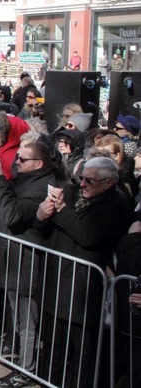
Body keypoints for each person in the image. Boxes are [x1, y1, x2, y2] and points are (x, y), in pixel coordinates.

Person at [36, 157, 134, 388]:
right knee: (52, 344)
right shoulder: (69, 191)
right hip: (56, 280)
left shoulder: (117, 205)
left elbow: (89, 236)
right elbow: (45, 230)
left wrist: (60, 210)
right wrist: (41, 215)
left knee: (83, 352)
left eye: (90, 180)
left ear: (109, 183)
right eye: (82, 178)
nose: (83, 184)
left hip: (84, 290)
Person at [0, 141, 57, 387]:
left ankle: (27, 370)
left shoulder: (41, 188)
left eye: (22, 159)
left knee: (27, 323)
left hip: (26, 265)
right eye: (16, 157)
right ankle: (22, 363)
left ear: (38, 164)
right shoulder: (25, 180)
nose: (16, 162)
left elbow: (12, 216)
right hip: (13, 262)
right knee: (18, 318)